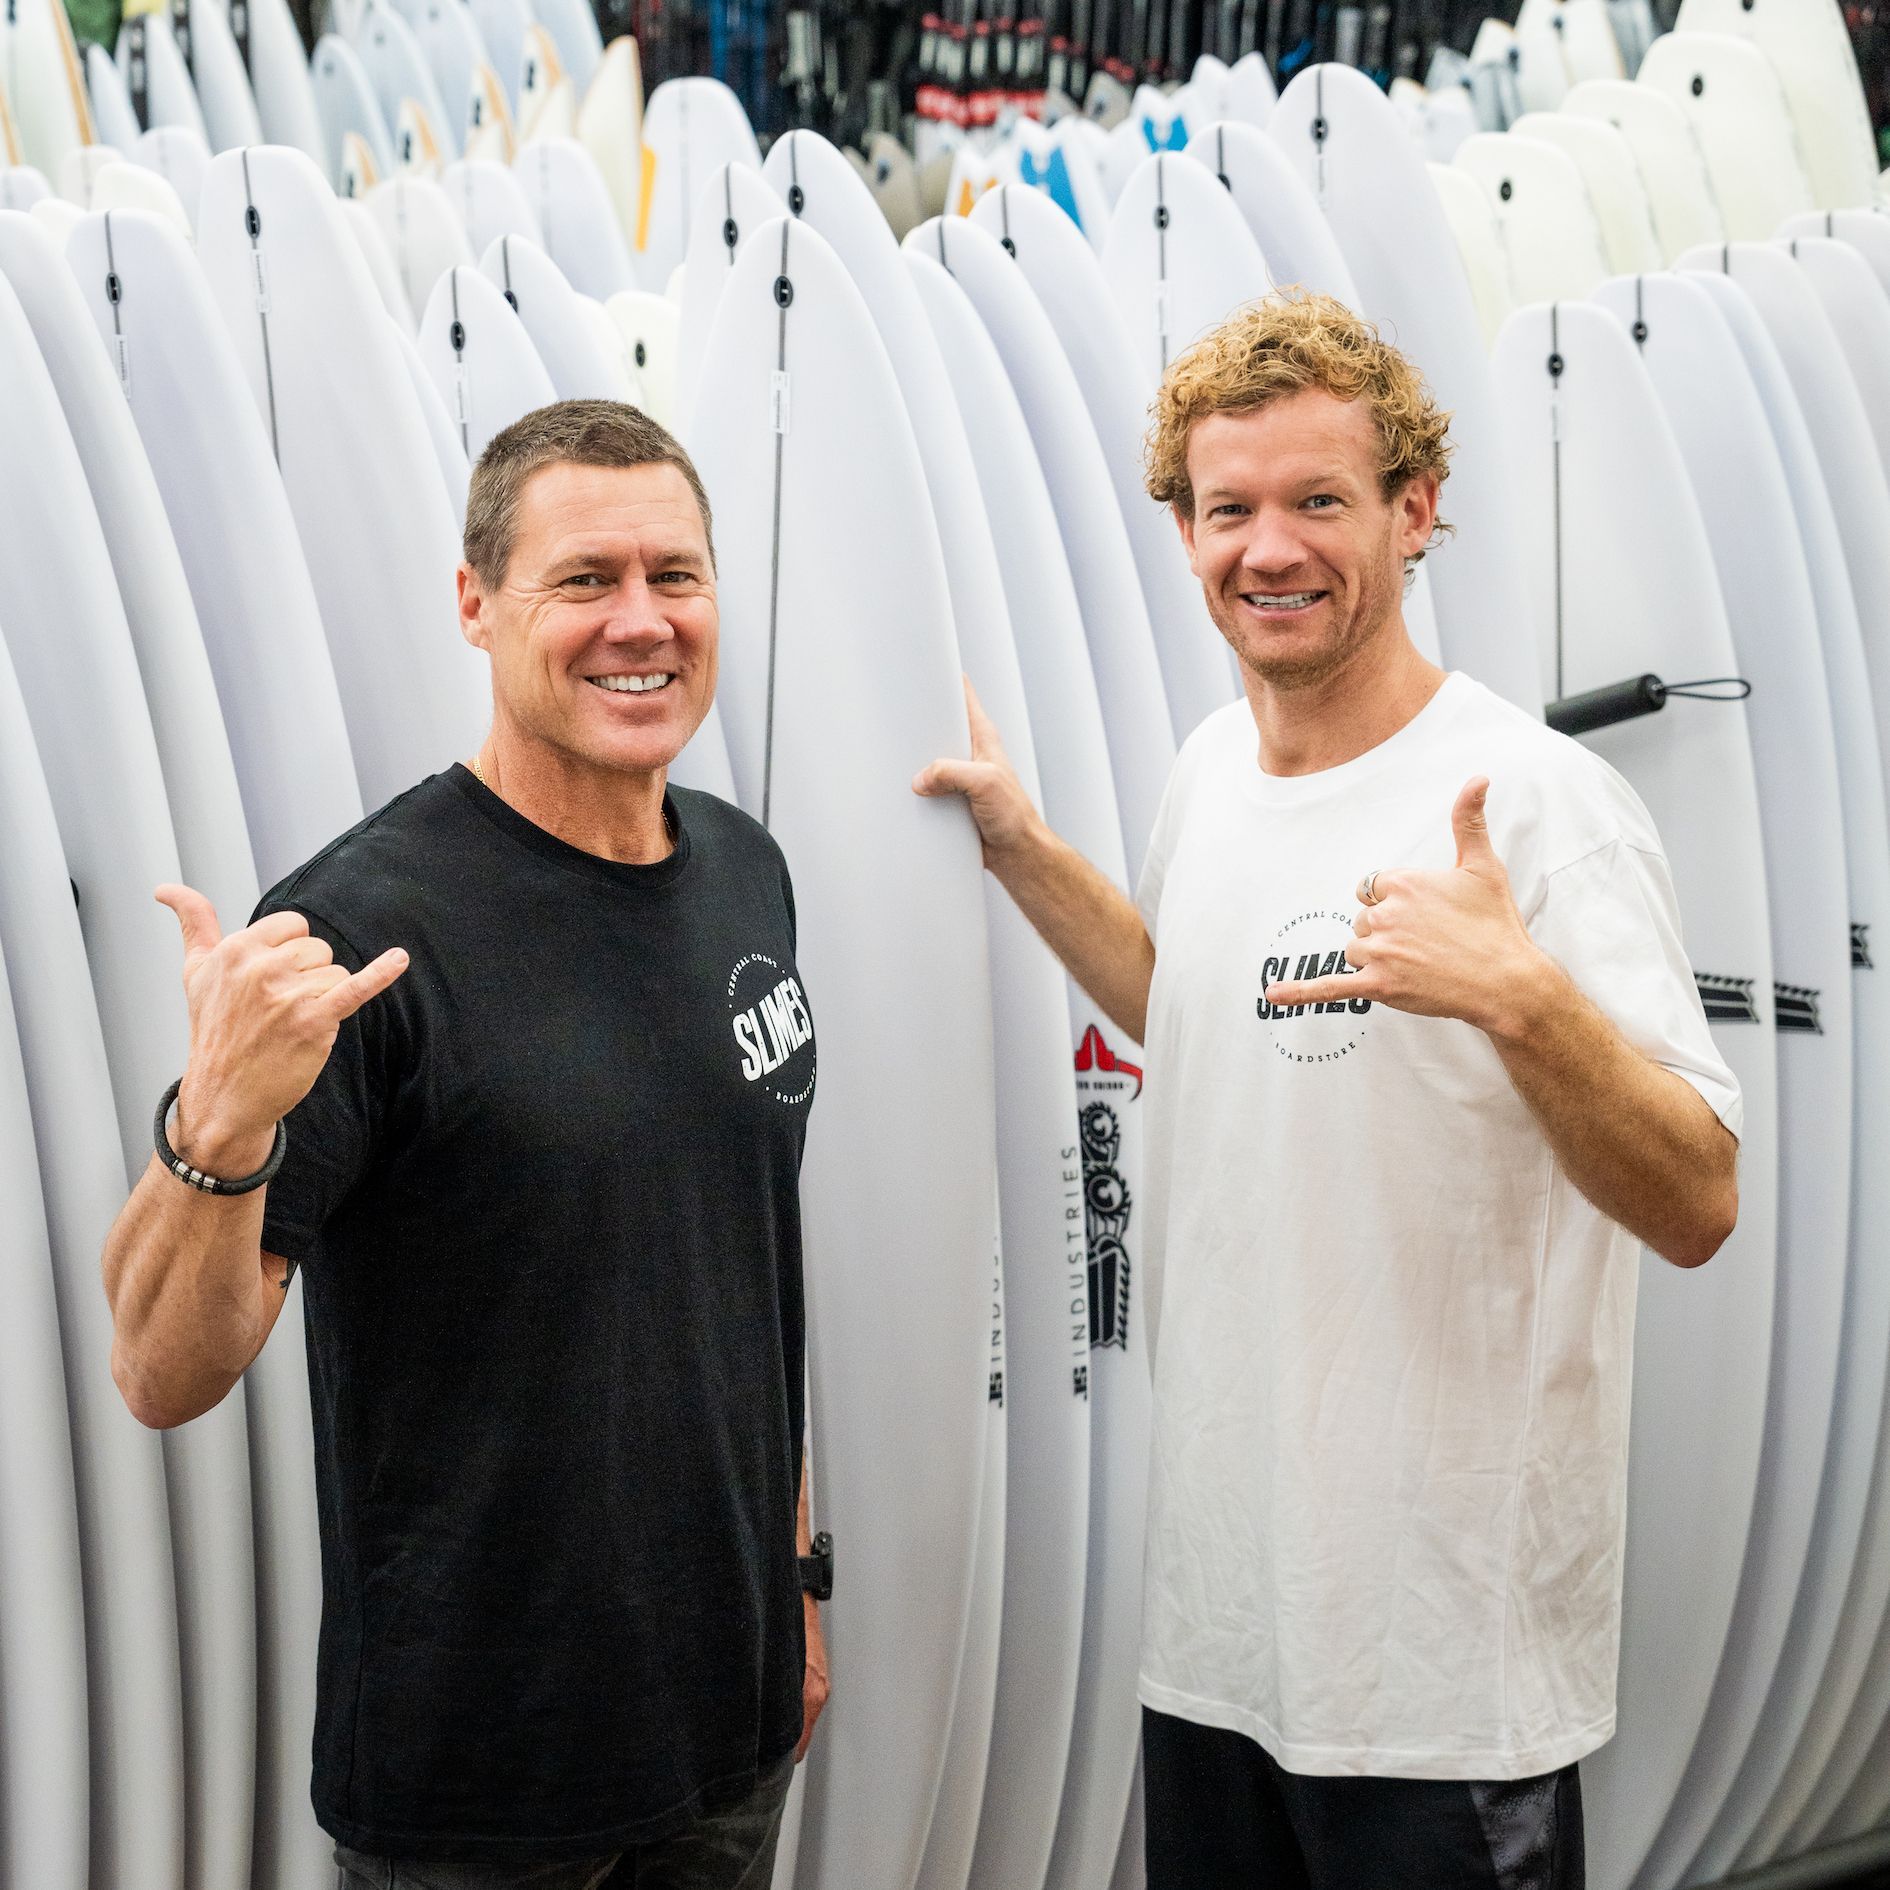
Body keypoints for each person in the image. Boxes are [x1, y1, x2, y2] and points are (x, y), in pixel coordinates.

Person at [916, 293, 1740, 1889]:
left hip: (1438, 1681)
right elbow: (1196, 1012)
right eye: (1228, 508)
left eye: (1318, 501)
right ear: (1183, 528)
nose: (1267, 548)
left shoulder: (1536, 808)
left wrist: (1520, 1000)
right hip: (1222, 1638)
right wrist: (1021, 848)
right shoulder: (1208, 772)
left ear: (1414, 510)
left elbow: (1699, 1196)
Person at [103, 400, 827, 1890]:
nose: (641, 622)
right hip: (482, 1786)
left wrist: (798, 1583)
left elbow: (741, 1268)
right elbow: (159, 1372)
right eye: (584, 581)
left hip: (730, 1735)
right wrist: (219, 1122)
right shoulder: (359, 932)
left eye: (674, 576)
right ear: (476, 605)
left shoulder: (747, 871)